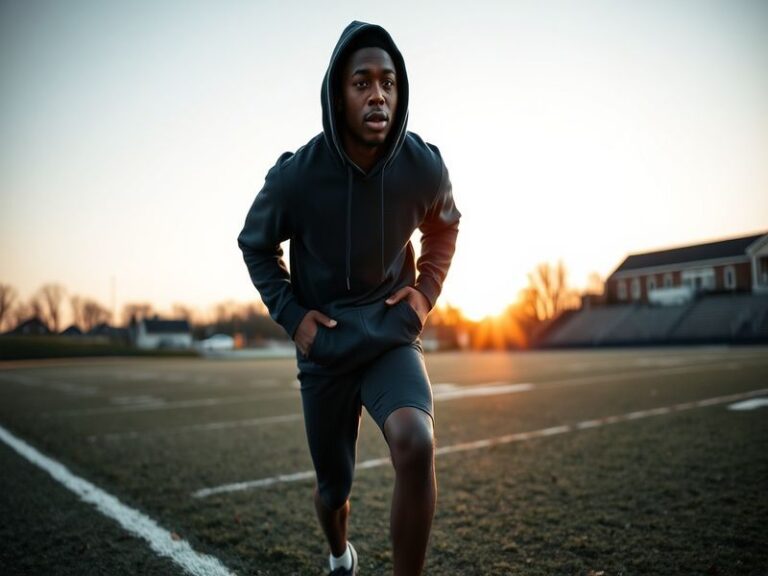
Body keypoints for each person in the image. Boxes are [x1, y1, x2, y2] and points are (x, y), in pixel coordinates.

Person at [237, 20, 461, 576]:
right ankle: (340, 554)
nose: (378, 94)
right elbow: (255, 245)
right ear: (338, 95)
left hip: (389, 334)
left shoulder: (423, 165)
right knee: (333, 490)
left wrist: (423, 295)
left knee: (415, 441)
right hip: (327, 347)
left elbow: (446, 227)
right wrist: (294, 319)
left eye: (388, 82)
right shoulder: (296, 177)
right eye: (362, 83)